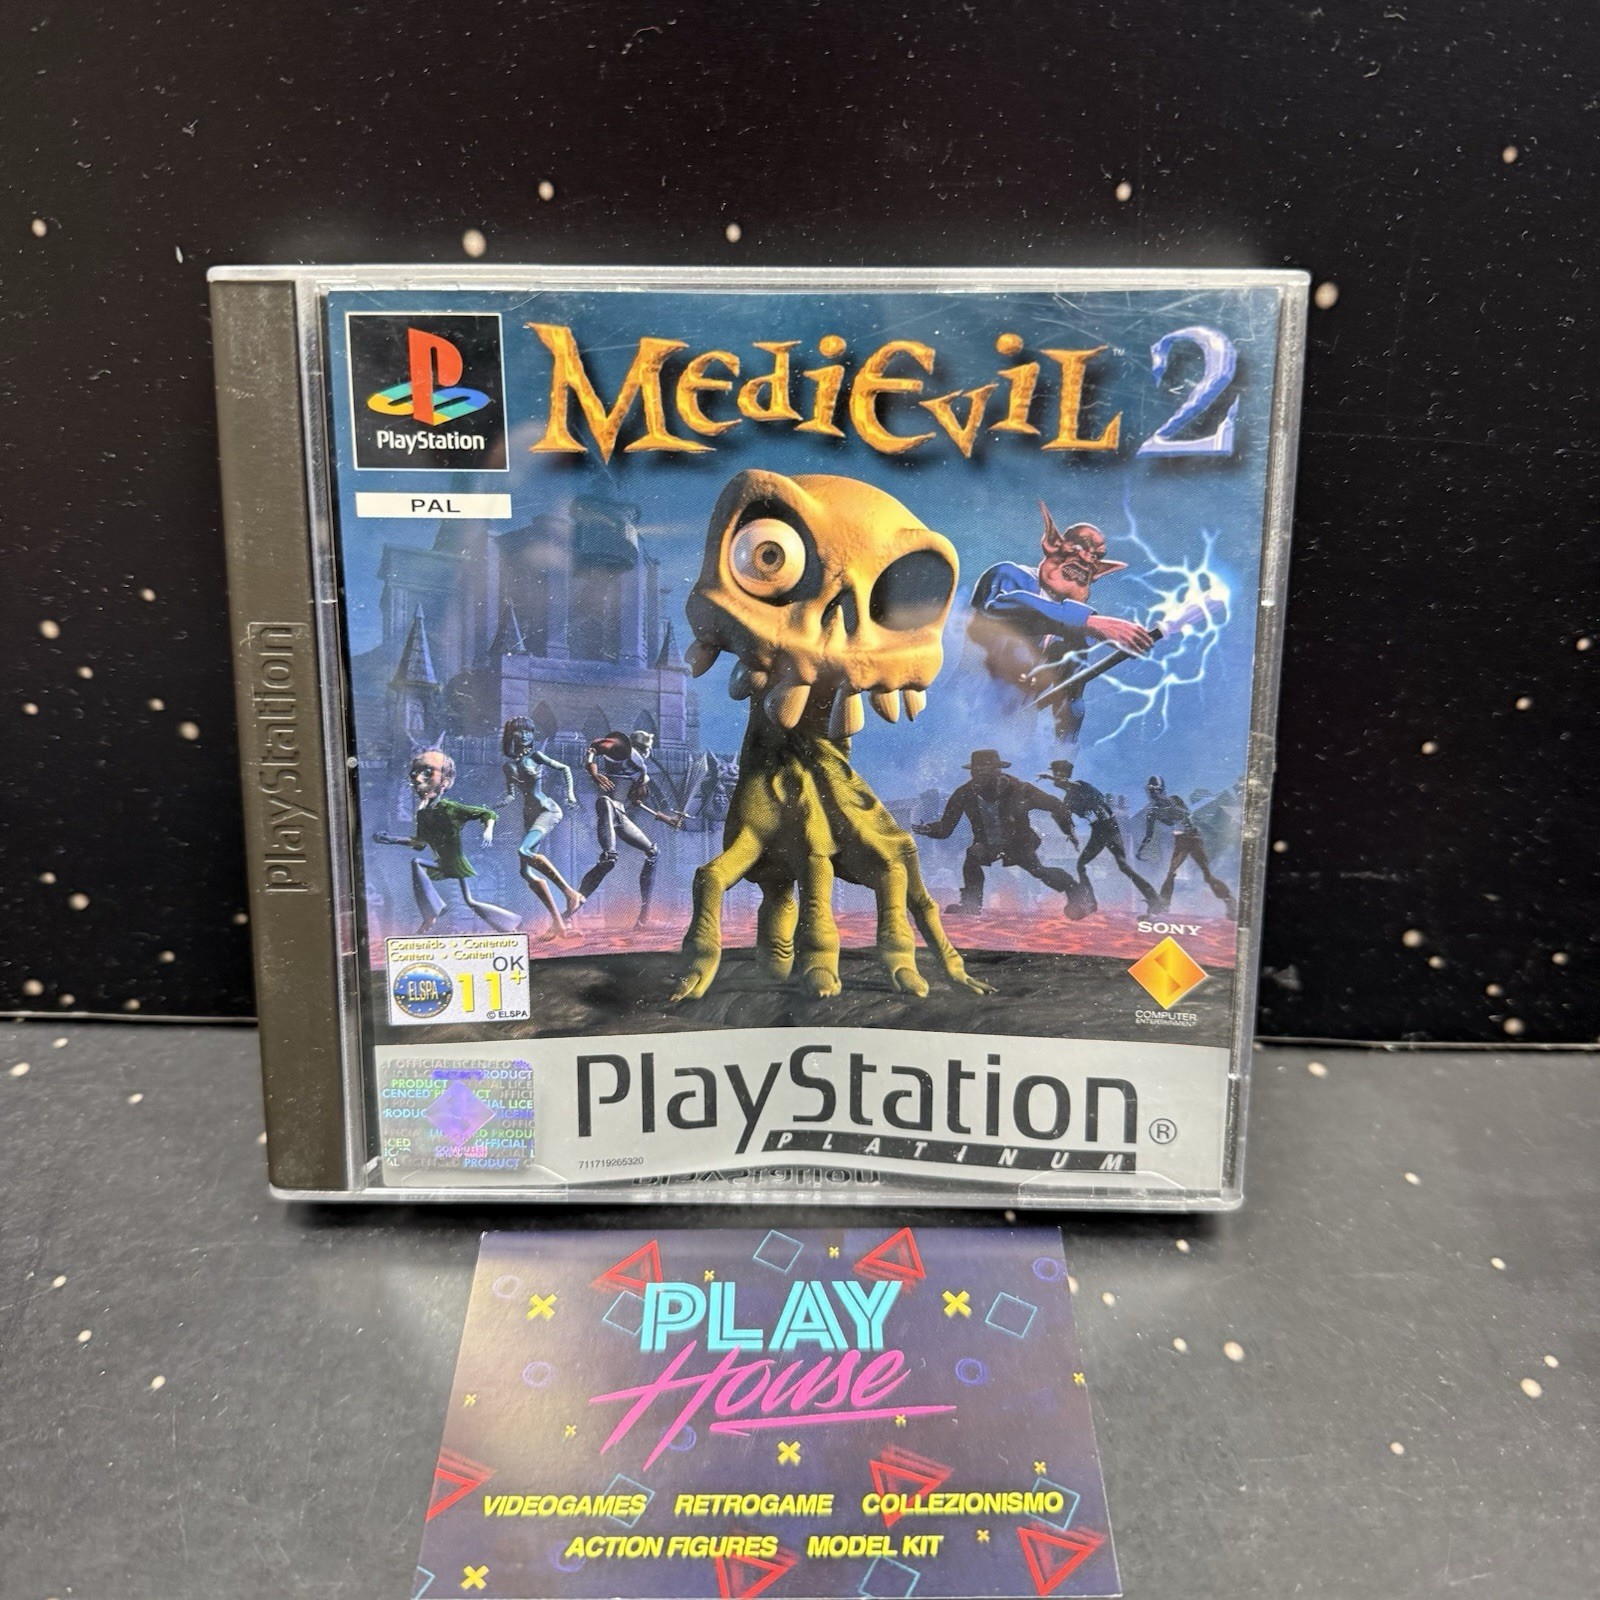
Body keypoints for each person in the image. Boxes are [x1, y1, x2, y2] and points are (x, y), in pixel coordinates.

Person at [967, 504, 1152, 743]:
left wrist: (1063, 758)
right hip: (968, 712)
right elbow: (1004, 608)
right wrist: (1087, 621)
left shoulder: (1072, 632)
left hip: (1011, 735)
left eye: (1094, 557)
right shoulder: (1010, 576)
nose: (1085, 559)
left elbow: (1071, 699)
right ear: (1053, 545)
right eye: (1078, 548)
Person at [912, 749, 1078, 916]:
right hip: (987, 844)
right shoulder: (964, 794)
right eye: (976, 772)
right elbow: (946, 826)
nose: (980, 776)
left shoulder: (1020, 789)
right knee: (973, 856)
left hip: (1018, 842)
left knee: (1037, 870)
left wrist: (1067, 826)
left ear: (998, 771)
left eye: (986, 772)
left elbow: (1055, 804)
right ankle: (971, 904)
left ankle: (1073, 889)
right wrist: (930, 829)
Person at [373, 749, 520, 934]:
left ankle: (432, 915)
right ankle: (508, 924)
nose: (417, 778)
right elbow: (419, 843)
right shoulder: (423, 813)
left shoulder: (450, 808)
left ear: (446, 781)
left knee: (422, 866)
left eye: (427, 772)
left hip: (454, 862)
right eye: (414, 773)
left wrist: (488, 830)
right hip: (442, 862)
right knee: (469, 900)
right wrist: (392, 840)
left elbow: (487, 813)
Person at [577, 729, 683, 929]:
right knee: (609, 859)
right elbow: (594, 747)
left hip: (620, 813)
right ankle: (567, 914)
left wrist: (664, 818)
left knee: (653, 852)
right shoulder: (624, 751)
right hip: (607, 805)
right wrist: (593, 771)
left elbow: (636, 801)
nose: (647, 752)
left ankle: (643, 919)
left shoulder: (640, 772)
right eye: (646, 748)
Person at [1039, 759, 1160, 917]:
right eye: (1055, 774)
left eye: (1058, 774)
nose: (1056, 779)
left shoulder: (1080, 786)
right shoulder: (1069, 799)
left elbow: (1069, 786)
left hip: (1103, 828)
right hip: (1109, 827)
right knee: (1124, 866)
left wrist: (1051, 778)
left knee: (1081, 865)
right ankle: (1153, 898)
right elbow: (1064, 818)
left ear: (1063, 775)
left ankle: (1091, 903)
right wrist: (1072, 835)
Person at [499, 717, 585, 940]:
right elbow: (511, 794)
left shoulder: (536, 757)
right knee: (525, 871)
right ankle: (559, 924)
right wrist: (499, 804)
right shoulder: (509, 766)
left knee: (524, 850)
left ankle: (570, 893)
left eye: (529, 731)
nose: (525, 735)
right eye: (519, 731)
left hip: (547, 810)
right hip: (529, 815)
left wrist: (570, 794)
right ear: (511, 735)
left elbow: (565, 768)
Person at [1138, 775, 1236, 917]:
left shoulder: (1174, 800)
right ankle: (1163, 908)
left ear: (1161, 790)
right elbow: (1149, 834)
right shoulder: (1152, 812)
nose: (1153, 794)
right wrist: (1141, 850)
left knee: (1207, 875)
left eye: (1156, 790)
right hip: (1181, 840)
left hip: (1193, 837)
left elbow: (1187, 815)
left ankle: (1229, 901)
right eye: (1151, 791)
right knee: (1171, 873)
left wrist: (1170, 806)